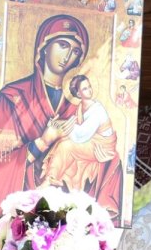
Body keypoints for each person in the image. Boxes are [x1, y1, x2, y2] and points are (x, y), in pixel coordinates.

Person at [0, 14, 120, 217]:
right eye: (63, 45)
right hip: (22, 212)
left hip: (65, 212)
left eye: (75, 51)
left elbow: (107, 158)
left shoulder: (78, 106)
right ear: (44, 47)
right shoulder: (13, 98)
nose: (68, 56)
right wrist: (43, 142)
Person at [39, 73, 123, 214]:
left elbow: (81, 135)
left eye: (89, 87)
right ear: (78, 93)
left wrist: (61, 124)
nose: (89, 90)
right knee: (63, 142)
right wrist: (59, 124)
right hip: (92, 140)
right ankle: (51, 178)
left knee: (66, 145)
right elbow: (74, 127)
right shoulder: (81, 107)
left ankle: (51, 178)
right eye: (85, 89)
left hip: (101, 146)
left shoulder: (97, 109)